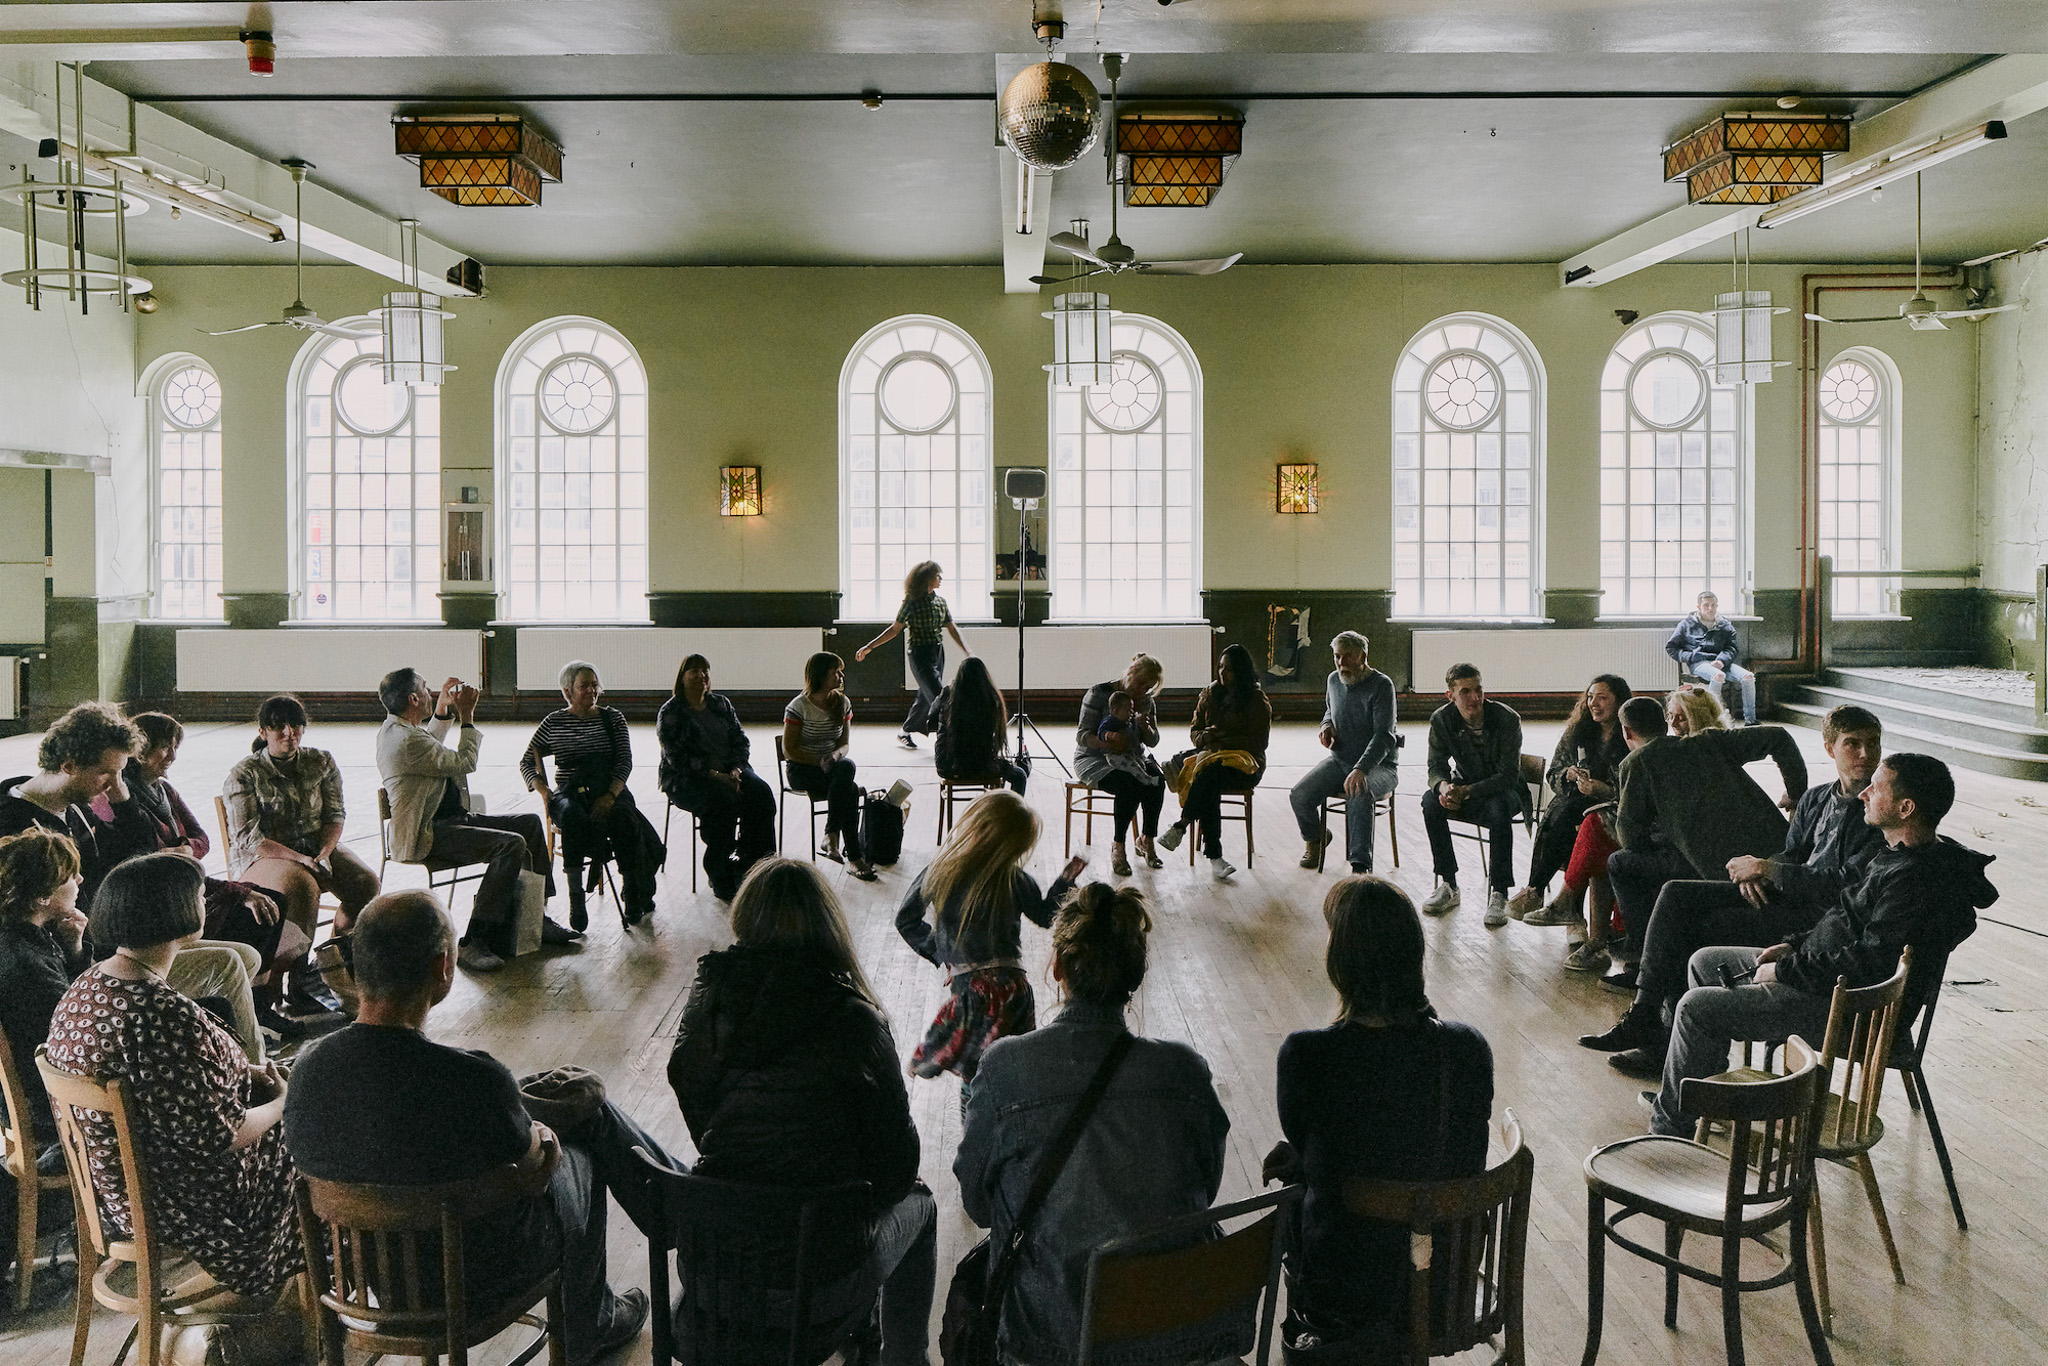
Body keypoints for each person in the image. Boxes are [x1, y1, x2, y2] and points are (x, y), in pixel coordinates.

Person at [286, 891, 657, 1365]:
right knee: (580, 1152)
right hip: (478, 1281)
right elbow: (537, 1172)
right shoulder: (475, 1078)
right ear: (443, 966)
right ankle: (595, 1320)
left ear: (359, 968)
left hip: (382, 1285)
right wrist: (545, 1137)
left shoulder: (307, 1069)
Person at [955, 882, 1247, 1366]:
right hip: (1178, 1335)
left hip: (1051, 1339)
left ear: (1058, 968)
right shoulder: (1185, 1071)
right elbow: (1204, 1188)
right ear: (1134, 976)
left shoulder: (1007, 1067)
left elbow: (979, 1205)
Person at [668, 859, 933, 1366]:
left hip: (710, 1273)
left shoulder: (707, 1004)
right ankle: (906, 1359)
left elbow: (704, 1126)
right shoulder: (855, 1022)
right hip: (810, 1286)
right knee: (921, 1204)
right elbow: (896, 1173)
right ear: (827, 925)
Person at [1645, 754, 1994, 1136]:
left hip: (1853, 1013)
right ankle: (1704, 1100)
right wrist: (1793, 947)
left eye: (1875, 788)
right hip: (1825, 982)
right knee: (1705, 961)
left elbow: (1869, 965)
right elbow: (1841, 921)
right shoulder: (1895, 854)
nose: (1864, 794)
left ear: (1905, 808)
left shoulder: (1915, 880)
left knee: (1697, 1008)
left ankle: (1669, 1130)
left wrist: (1783, 971)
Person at [43, 852, 302, 1301]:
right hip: (176, 1198)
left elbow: (162, 1084)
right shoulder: (162, 1015)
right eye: (201, 896)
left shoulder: (89, 985)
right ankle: (315, 1277)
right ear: (177, 913)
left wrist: (247, 1073)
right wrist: (283, 1103)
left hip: (119, 1188)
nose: (205, 903)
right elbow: (218, 1137)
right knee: (319, 1139)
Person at [1583, 704, 1888, 1078]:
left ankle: (1671, 1048)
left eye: (1872, 744)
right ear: (1830, 748)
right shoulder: (1817, 799)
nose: (1864, 755)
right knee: (1677, 894)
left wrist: (1769, 869)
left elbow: (1845, 887)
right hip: (1785, 894)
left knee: (1694, 931)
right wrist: (1755, 871)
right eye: (1852, 744)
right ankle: (1647, 1012)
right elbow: (1792, 853)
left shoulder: (1880, 813)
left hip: (1816, 921)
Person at [1262, 877, 1494, 1351]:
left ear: (1339, 960)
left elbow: (1328, 1145)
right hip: (1443, 1288)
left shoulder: (1308, 1055)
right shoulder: (1467, 1048)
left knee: (1292, 1201)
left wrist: (1307, 1165)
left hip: (1348, 1300)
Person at [2, 706, 268, 1056]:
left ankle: (203, 1053)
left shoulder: (74, 805)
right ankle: (251, 1073)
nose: (114, 784)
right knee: (228, 964)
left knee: (245, 956)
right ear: (67, 765)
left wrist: (124, 802)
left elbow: (137, 858)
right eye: (105, 774)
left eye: (120, 773)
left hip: (97, 944)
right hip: (85, 964)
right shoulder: (19, 826)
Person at [94, 712, 310, 1036]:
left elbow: (201, 839)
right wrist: (228, 884)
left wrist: (183, 850)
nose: (172, 756)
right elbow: (145, 857)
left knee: (271, 903)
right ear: (140, 749)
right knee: (254, 914)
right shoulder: (122, 800)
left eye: (174, 747)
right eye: (164, 748)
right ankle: (242, 1006)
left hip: (188, 879)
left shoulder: (164, 791)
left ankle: (259, 1003)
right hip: (171, 895)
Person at [1604, 696, 1809, 989]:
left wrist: (1670, 831)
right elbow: (1779, 736)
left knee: (1621, 862)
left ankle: (1641, 958)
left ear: (1626, 732)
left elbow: (1630, 837)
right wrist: (1796, 793)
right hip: (1782, 854)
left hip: (1727, 872)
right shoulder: (1708, 741)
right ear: (1665, 724)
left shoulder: (1637, 763)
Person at [897, 791, 1079, 1110]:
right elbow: (1045, 915)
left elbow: (906, 920)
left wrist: (945, 954)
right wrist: (1065, 880)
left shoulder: (941, 871)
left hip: (973, 993)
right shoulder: (1015, 879)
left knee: (976, 1077)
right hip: (1014, 991)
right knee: (1012, 1069)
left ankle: (977, 1134)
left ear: (973, 824)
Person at [378, 668, 570, 969]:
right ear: (414, 699)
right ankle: (474, 940)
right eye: (427, 690)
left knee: (529, 824)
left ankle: (535, 917)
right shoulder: (404, 741)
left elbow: (430, 744)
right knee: (510, 845)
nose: (431, 692)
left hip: (451, 820)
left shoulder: (400, 729)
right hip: (427, 832)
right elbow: (464, 762)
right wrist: (467, 716)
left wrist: (441, 709)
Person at [223, 693, 381, 956]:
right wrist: (301, 859)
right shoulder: (244, 774)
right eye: (278, 727)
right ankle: (295, 970)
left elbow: (334, 815)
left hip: (313, 847)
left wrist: (324, 853)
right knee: (304, 889)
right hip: (262, 857)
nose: (289, 733)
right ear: (263, 732)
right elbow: (250, 839)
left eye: (295, 725)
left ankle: (335, 953)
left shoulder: (321, 761)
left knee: (365, 883)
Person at [522, 661, 665, 926]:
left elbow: (624, 761)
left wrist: (610, 796)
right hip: (570, 793)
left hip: (608, 789)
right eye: (583, 686)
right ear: (567, 692)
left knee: (624, 819)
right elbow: (527, 761)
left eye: (594, 684)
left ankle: (632, 893)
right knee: (574, 818)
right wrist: (542, 789)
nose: (591, 690)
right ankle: (577, 899)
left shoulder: (613, 718)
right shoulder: (554, 722)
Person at [1507, 674, 1631, 925]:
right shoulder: (1578, 731)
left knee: (1570, 821)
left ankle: (1537, 890)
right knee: (1565, 816)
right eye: (1590, 697)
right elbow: (1553, 772)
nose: (1593, 703)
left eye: (1602, 698)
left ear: (1619, 702)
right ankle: (1567, 910)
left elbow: (1634, 786)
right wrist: (1568, 774)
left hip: (1613, 808)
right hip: (1573, 802)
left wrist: (1602, 789)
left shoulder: (1629, 734)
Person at [657, 653, 776, 902]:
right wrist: (717, 776)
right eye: (695, 671)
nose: (702, 675)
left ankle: (758, 864)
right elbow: (677, 759)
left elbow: (740, 740)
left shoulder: (721, 704)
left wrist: (735, 769)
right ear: (682, 677)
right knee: (724, 803)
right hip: (688, 778)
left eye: (706, 670)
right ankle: (718, 869)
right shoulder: (671, 712)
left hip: (731, 770)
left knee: (761, 794)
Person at [1289, 632, 1401, 877]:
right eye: (1337, 657)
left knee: (1358, 791)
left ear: (1363, 656)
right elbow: (1329, 710)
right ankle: (1316, 839)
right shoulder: (1333, 680)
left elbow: (1384, 735)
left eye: (1347, 657)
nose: (1341, 663)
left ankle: (1359, 866)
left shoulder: (1382, 685)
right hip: (1341, 760)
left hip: (1378, 767)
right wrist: (1325, 726)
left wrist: (1361, 769)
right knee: (1300, 795)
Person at [1418, 665, 1524, 923]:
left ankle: (1499, 891)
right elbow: (1436, 767)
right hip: (1465, 786)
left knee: (1499, 811)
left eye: (1478, 690)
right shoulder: (1442, 719)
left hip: (1504, 790)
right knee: (1430, 802)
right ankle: (1449, 884)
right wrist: (1444, 788)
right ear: (1450, 696)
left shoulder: (1507, 719)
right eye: (1465, 691)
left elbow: (1508, 775)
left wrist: (1466, 792)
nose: (1475, 698)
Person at [1158, 643, 1272, 882]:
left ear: (1241, 671)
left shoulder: (1256, 699)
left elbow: (1259, 742)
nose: (1222, 673)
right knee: (1208, 779)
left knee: (1207, 776)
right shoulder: (1210, 694)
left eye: (1228, 669)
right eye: (1220, 667)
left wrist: (1222, 741)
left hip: (1247, 764)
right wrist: (1207, 738)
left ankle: (1182, 825)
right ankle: (1214, 857)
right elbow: (1195, 732)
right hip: (1211, 760)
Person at [853, 560, 972, 750]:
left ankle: (905, 731)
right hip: (919, 654)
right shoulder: (911, 602)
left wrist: (967, 651)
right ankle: (949, 739)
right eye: (937, 576)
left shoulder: (941, 602)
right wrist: (870, 646)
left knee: (925, 696)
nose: (940, 579)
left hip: (937, 652)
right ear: (927, 579)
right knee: (939, 696)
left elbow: (951, 627)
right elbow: (895, 629)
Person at [783, 651, 876, 880]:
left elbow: (844, 744)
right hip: (802, 770)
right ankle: (854, 857)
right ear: (820, 675)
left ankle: (831, 837)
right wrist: (818, 761)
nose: (841, 676)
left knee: (847, 768)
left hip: (833, 769)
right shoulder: (798, 706)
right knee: (849, 788)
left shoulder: (842, 703)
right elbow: (789, 750)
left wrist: (834, 756)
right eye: (836, 671)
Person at [1073, 654, 1168, 876]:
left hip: (1132, 757)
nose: (1142, 690)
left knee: (1158, 780)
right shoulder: (1099, 694)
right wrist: (1108, 742)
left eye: (1148, 687)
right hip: (1094, 757)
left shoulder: (1146, 701)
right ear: (1130, 673)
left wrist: (1146, 728)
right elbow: (1082, 735)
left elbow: (1153, 741)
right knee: (1129, 784)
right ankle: (1119, 846)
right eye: (1140, 683)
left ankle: (1146, 839)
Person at [934, 654, 1031, 795]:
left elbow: (931, 718)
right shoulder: (990, 699)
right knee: (1020, 775)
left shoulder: (947, 694)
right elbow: (995, 738)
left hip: (947, 765)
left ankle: (994, 806)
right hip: (980, 765)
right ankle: (1005, 812)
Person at [1666, 590, 1756, 725]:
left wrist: (1721, 660)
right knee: (1718, 676)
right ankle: (1714, 718)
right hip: (1700, 662)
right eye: (1706, 605)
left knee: (1748, 677)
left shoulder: (1724, 624)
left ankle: (1751, 719)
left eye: (1713, 605)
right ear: (1699, 607)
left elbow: (1731, 648)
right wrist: (1690, 657)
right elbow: (1672, 648)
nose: (1710, 608)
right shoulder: (1686, 624)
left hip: (1722, 661)